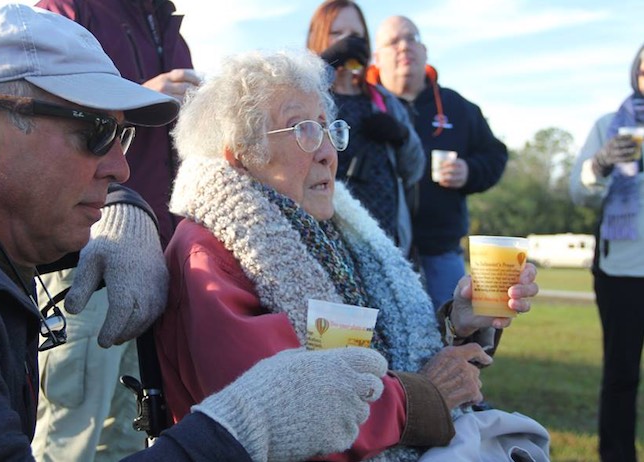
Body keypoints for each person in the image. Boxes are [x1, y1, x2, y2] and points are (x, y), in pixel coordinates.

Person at [0, 5, 389, 461]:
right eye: (96, 132)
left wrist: (128, 206)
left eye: (124, 137)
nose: (120, 166)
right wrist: (242, 428)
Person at [155, 48, 542, 461]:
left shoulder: (328, 231)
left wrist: (459, 325)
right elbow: (290, 418)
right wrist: (425, 396)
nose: (327, 152)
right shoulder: (210, 254)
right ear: (241, 155)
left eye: (328, 129)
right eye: (303, 130)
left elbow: (378, 348)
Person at [32, 0, 200, 459]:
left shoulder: (170, 26)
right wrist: (137, 97)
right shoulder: (67, 10)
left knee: (130, 432)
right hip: (82, 253)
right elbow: (38, 119)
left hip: (156, 260)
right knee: (73, 432)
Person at [369, 16, 508, 309]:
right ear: (377, 58)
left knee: (454, 339)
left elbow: (495, 155)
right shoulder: (364, 105)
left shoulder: (456, 107)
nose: (405, 46)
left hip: (441, 252)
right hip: (378, 253)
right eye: (394, 41)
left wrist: (469, 171)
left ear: (425, 50)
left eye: (412, 38)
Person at [569, 43, 644, 462]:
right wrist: (599, 164)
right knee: (621, 375)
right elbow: (579, 192)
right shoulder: (609, 125)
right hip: (621, 270)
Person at [306, 0, 424, 258]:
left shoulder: (381, 100)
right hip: (331, 243)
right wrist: (324, 64)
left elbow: (414, 170)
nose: (349, 41)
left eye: (357, 35)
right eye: (338, 34)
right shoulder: (307, 96)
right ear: (319, 37)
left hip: (386, 243)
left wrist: (402, 136)